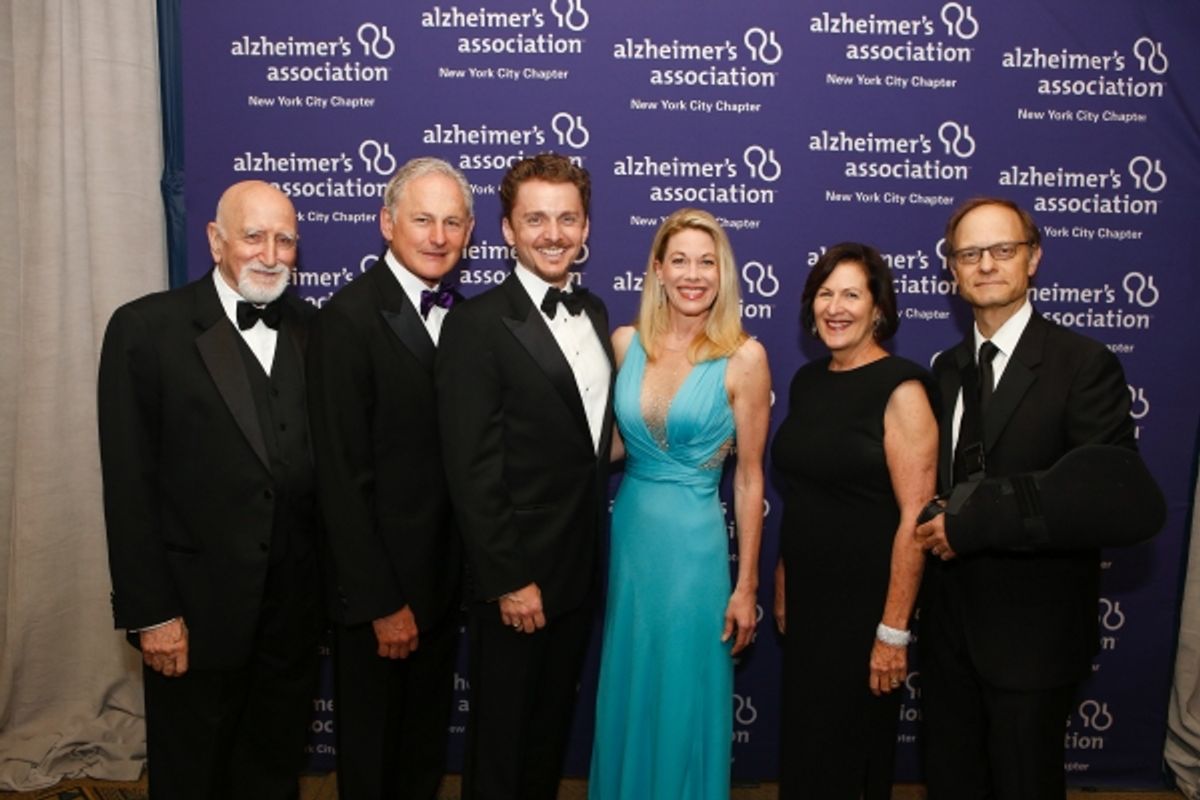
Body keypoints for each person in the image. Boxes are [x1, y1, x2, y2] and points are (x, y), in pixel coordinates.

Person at [97, 180, 322, 799]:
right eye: (253, 237)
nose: (270, 254)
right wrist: (153, 614)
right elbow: (128, 487)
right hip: (193, 615)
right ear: (215, 240)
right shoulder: (146, 330)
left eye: (285, 239)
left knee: (273, 770)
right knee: (192, 775)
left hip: (292, 613)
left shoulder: (315, 330)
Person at [915, 197, 1142, 800]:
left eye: (1003, 250)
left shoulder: (1083, 364)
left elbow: (1109, 499)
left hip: (1033, 636)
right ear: (953, 271)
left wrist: (980, 520)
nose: (986, 264)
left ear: (1033, 258)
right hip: (948, 634)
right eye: (969, 254)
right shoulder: (945, 369)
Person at [435, 153, 614, 800]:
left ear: (586, 226)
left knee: (546, 739)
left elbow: (588, 443)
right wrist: (510, 579)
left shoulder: (593, 311)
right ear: (507, 230)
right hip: (517, 578)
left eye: (567, 218)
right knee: (501, 750)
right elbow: (471, 467)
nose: (553, 233)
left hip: (579, 571)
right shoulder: (477, 325)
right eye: (535, 218)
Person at [589, 208, 771, 800]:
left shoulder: (744, 356)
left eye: (707, 262)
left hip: (695, 551)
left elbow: (748, 479)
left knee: (684, 690)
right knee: (631, 679)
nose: (694, 274)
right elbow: (611, 446)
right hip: (633, 540)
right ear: (658, 271)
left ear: (722, 274)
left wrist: (745, 586)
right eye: (680, 260)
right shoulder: (625, 343)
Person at [307, 158, 473, 799]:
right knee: (374, 761)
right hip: (380, 594)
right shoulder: (347, 320)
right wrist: (380, 602)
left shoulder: (465, 317)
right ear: (387, 224)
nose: (437, 236)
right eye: (422, 219)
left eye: (452, 222)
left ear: (470, 233)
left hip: (441, 584)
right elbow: (341, 480)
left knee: (421, 754)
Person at [770, 242, 938, 799]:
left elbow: (916, 515)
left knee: (852, 755)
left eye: (850, 294)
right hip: (811, 602)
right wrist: (785, 581)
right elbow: (803, 494)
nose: (835, 307)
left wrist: (892, 630)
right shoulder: (808, 382)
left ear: (878, 309)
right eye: (824, 294)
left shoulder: (903, 389)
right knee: (807, 748)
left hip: (868, 607)